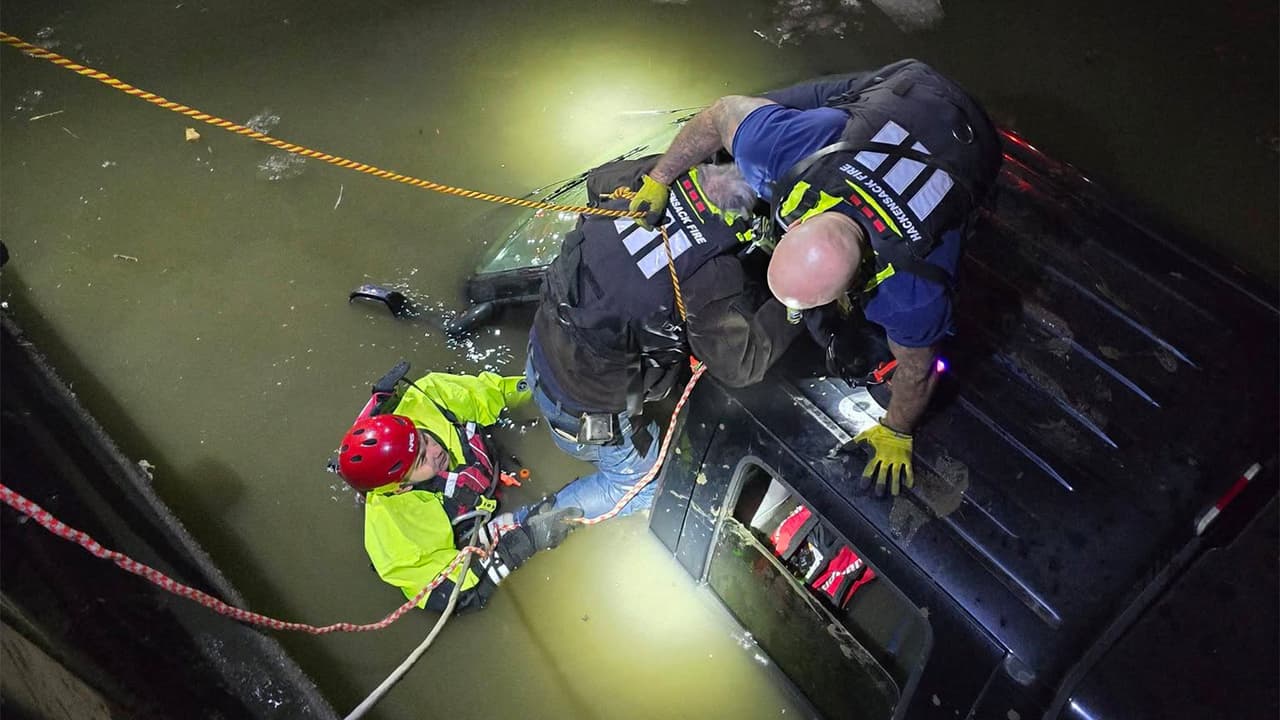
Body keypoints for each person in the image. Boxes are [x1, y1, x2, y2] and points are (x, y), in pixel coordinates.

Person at [629, 59, 1003, 497]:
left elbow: (917, 371)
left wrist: (897, 429)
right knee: (766, 113)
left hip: (973, 144)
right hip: (905, 91)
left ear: (854, 285)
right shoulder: (787, 149)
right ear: (802, 217)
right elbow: (718, 114)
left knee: (958, 219)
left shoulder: (910, 293)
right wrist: (660, 178)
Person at [525, 156, 804, 522]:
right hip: (584, 414)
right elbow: (742, 363)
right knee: (645, 488)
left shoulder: (648, 181)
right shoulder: (710, 276)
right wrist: (798, 301)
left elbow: (597, 179)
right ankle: (524, 530)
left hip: (540, 353)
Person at [334, 369, 582, 612]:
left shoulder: (430, 396)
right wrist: (522, 544)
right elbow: (453, 594)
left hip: (492, 471)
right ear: (401, 487)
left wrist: (551, 389)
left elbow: (497, 392)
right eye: (421, 460)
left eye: (424, 439)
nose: (435, 452)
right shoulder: (396, 537)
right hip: (474, 526)